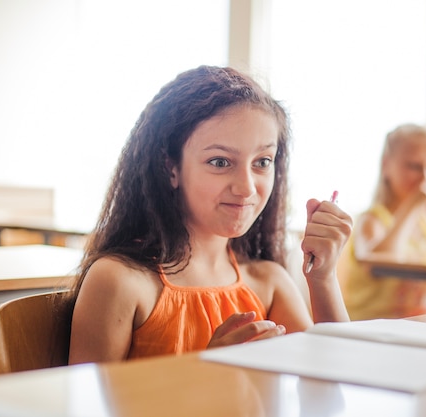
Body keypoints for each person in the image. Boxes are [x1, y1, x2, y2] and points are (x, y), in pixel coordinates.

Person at [66, 65, 352, 364]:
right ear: (170, 167)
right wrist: (206, 374)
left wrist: (323, 279)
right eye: (219, 162)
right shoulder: (119, 281)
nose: (246, 187)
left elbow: (339, 379)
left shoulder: (269, 282)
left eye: (263, 161)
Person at [337, 123, 426, 320]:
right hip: (370, 327)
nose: (425, 177)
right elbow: (382, 260)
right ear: (386, 165)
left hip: (415, 325)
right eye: (414, 166)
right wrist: (412, 205)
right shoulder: (372, 220)